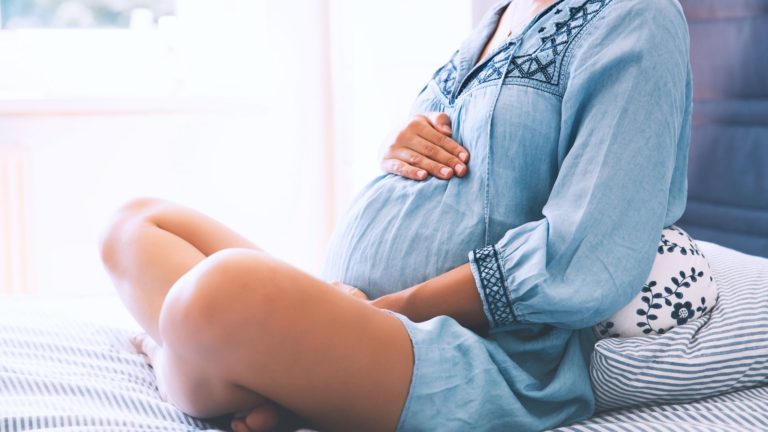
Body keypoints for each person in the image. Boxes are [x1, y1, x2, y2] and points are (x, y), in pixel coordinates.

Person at [99, 0, 694, 430]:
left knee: (212, 296)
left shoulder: (636, 17)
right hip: (355, 311)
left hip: (473, 351)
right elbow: (456, 181)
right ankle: (265, 375)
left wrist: (388, 308)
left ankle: (185, 359)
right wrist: (400, 144)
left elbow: (586, 256)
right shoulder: (491, 20)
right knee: (134, 225)